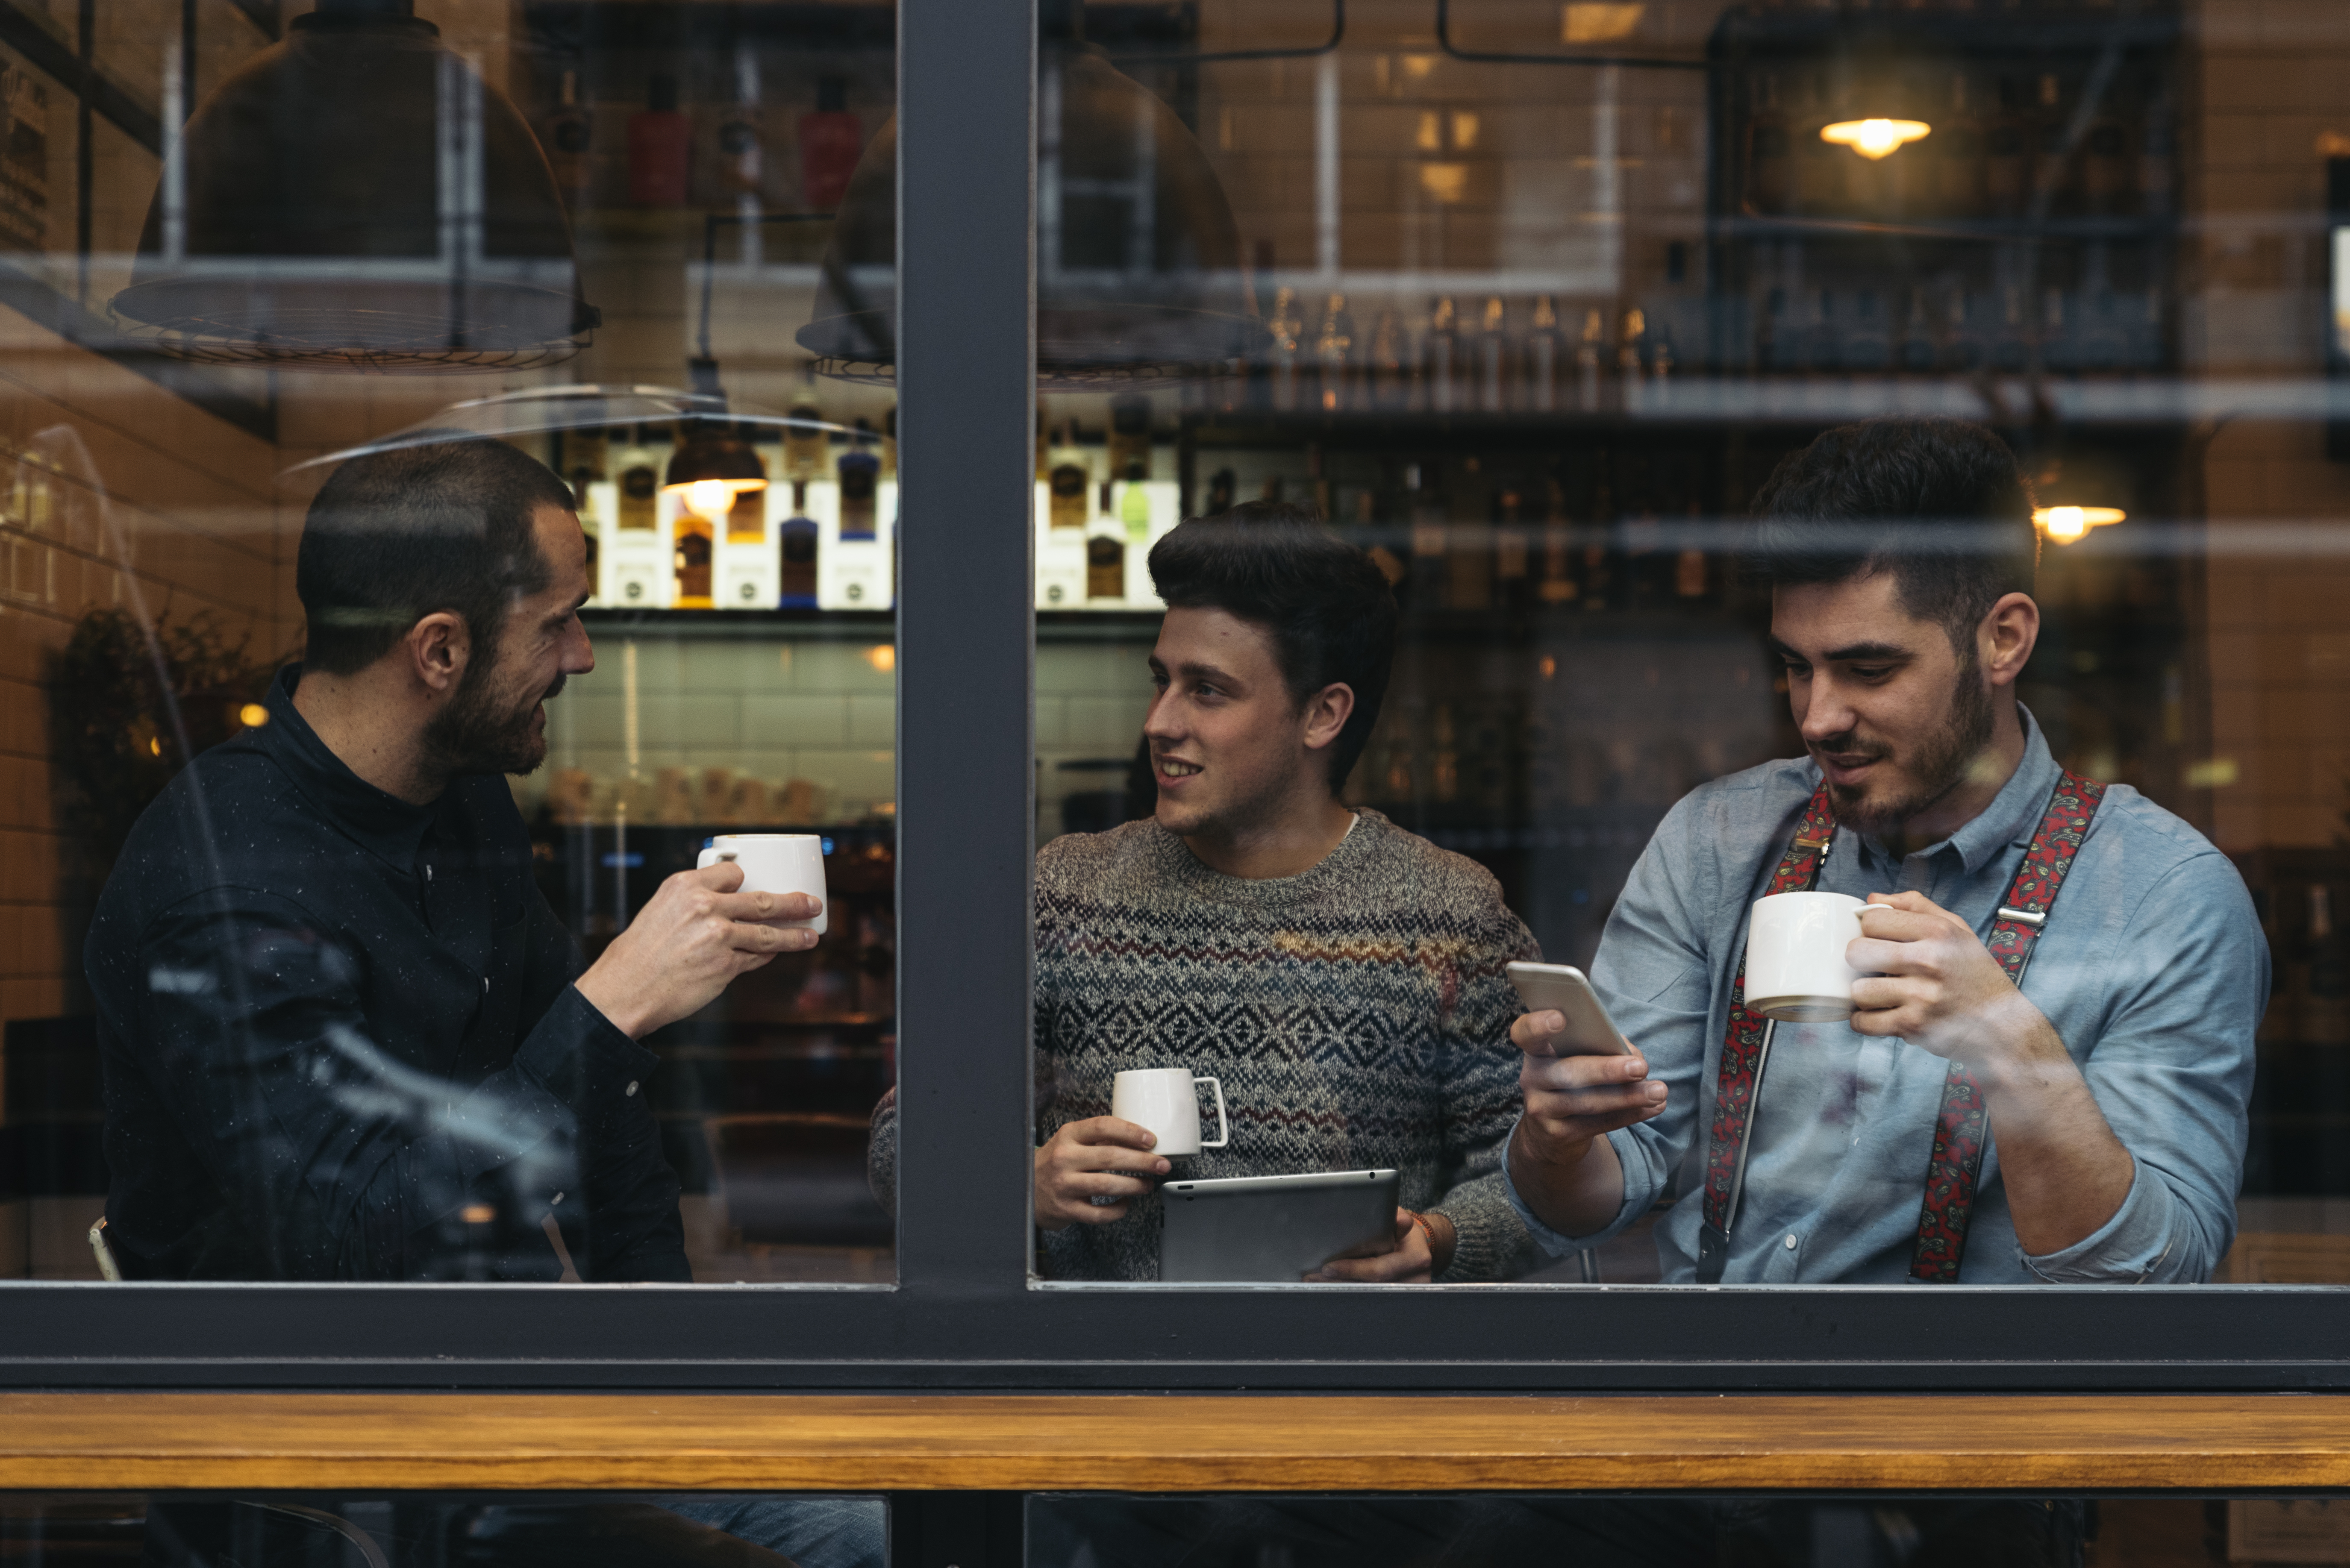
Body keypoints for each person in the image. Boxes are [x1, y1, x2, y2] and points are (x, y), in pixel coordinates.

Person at [1508, 417, 2263, 1286]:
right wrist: (1554, 1140)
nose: (1816, 716)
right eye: (1796, 665)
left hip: (1992, 1410)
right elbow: (1602, 1190)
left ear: (2002, 638)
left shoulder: (2164, 896)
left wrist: (2012, 1051)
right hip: (1716, 1395)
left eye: (1867, 669)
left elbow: (2155, 1276)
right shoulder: (1714, 841)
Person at [86, 437, 823, 1282]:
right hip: (283, 1390)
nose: (581, 654)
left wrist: (663, 1355)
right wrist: (611, 1006)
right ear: (438, 651)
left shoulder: (462, 797)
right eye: (556, 622)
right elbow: (348, 1239)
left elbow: (606, 1139)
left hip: (491, 1356)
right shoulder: (218, 879)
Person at [867, 501, 1539, 1283]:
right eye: (1162, 680)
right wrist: (1020, 1182)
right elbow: (902, 1135)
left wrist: (1440, 1237)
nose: (1159, 720)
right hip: (1091, 1381)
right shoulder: (1069, 891)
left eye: (1208, 690)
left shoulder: (1448, 913)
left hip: (1345, 1386)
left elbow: (1546, 1181)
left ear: (1323, 714)